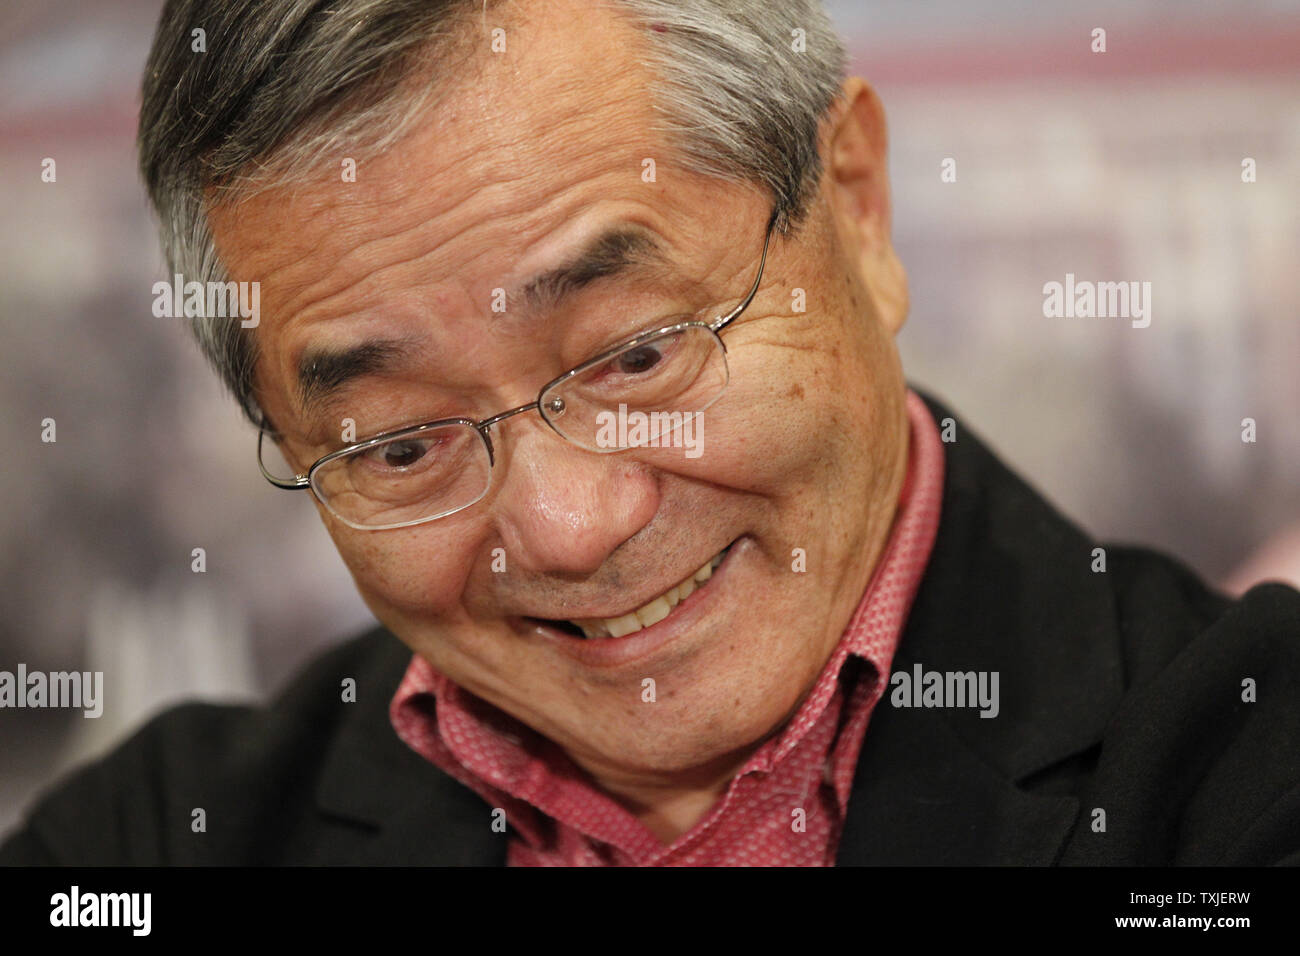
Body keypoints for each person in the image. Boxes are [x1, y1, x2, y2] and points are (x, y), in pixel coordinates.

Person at [3, 0, 1297, 867]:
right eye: (401, 445)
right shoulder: (145, 847)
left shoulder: (1242, 776)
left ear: (854, 209)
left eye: (636, 351)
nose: (570, 526)